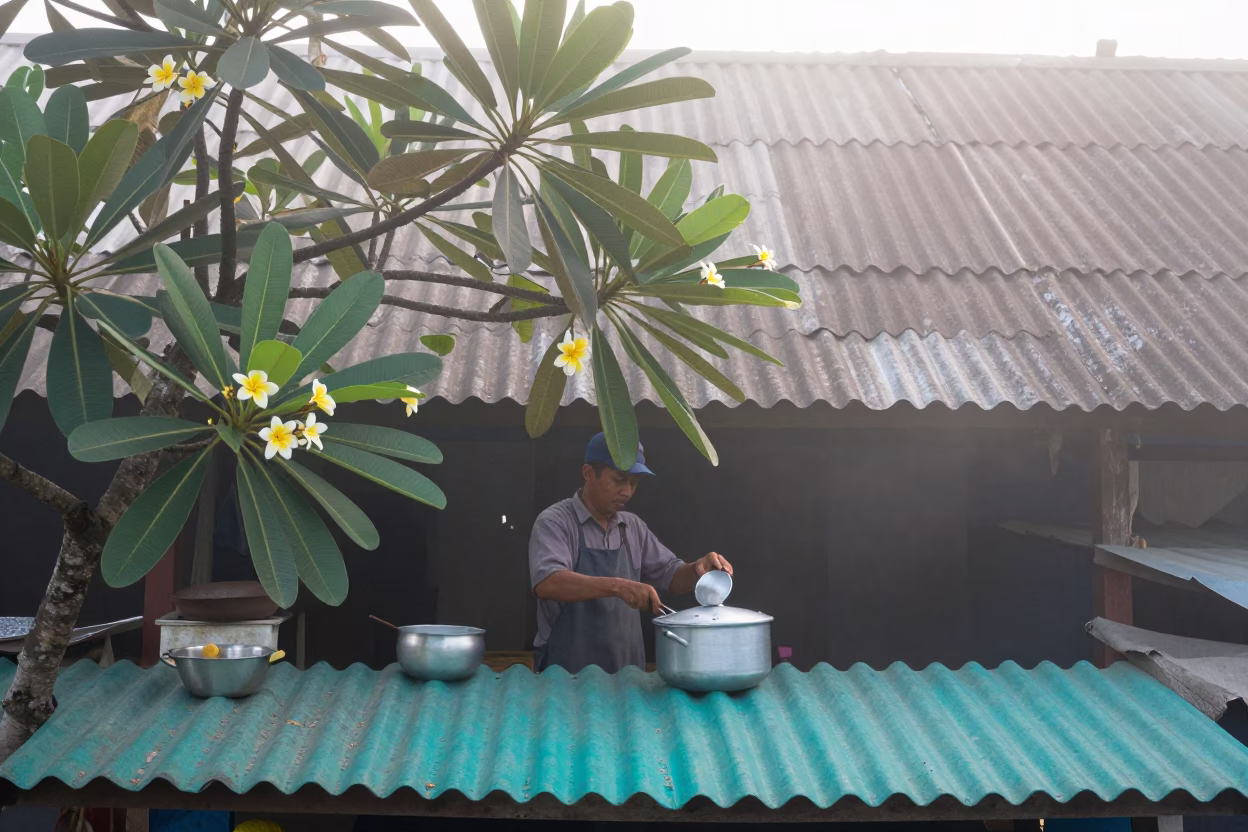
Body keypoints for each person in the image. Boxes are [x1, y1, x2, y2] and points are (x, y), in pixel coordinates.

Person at [528, 433, 733, 673]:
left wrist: (698, 569)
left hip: (627, 673)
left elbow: (672, 576)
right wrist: (620, 587)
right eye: (619, 480)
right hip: (566, 675)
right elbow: (548, 583)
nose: (627, 491)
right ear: (588, 473)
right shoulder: (555, 522)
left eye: (634, 482)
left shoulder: (632, 527)